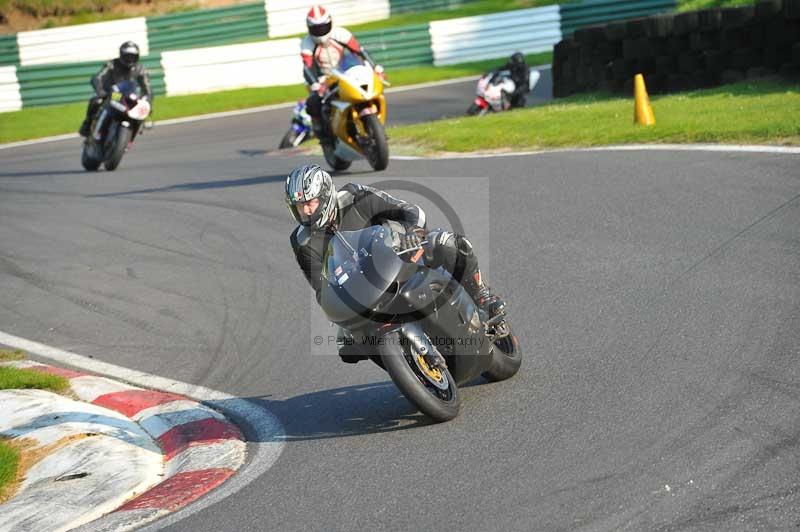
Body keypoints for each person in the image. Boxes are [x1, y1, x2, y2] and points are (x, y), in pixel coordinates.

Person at [286, 164, 506, 363]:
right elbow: (321, 288)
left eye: (310, 203)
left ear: (325, 195)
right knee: (347, 347)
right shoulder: (302, 241)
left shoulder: (355, 197)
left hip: (399, 256)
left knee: (446, 243)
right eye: (299, 207)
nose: (306, 212)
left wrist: (412, 232)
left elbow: (409, 210)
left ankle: (481, 295)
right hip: (360, 292)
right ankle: (405, 360)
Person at [300, 5, 382, 144]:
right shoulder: (307, 43)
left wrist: (375, 68)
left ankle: (373, 121)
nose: (320, 31)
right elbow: (307, 66)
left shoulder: (340, 34)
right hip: (322, 79)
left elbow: (360, 51)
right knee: (313, 102)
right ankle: (321, 131)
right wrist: (315, 83)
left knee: (368, 87)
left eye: (323, 27)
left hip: (345, 73)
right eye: (316, 28)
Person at [78, 41, 153, 137]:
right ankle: (87, 124)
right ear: (121, 55)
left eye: (132, 56)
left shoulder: (140, 69)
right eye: (127, 56)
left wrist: (147, 102)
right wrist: (100, 90)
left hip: (131, 97)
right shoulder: (112, 64)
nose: (130, 59)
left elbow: (147, 89)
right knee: (96, 101)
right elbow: (98, 77)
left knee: (142, 111)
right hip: (114, 94)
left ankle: (137, 128)